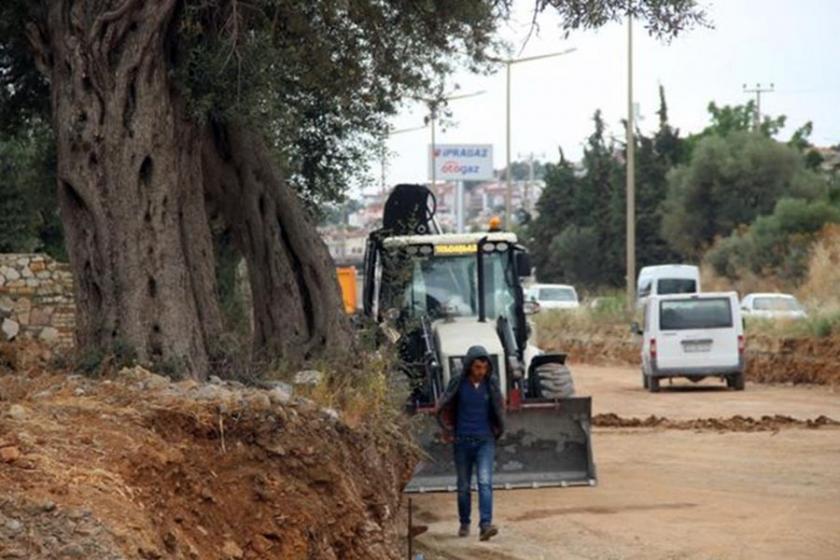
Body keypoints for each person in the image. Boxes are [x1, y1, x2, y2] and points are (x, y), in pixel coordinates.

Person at [436, 345, 504, 541]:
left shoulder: (490, 385)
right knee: (464, 485)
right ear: (469, 367)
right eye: (477, 368)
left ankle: (485, 525)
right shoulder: (458, 384)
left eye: (484, 368)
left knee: (485, 482)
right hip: (462, 441)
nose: (480, 372)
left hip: (485, 441)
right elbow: (444, 406)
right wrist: (448, 430)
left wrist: (498, 429)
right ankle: (464, 522)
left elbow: (499, 407)